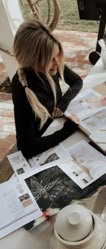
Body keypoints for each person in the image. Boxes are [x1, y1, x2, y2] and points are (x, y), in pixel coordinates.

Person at [12, 20, 83, 159]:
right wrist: (66, 131)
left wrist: (63, 103)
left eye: (57, 55)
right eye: (51, 59)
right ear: (33, 60)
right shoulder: (22, 88)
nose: (57, 62)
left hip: (53, 128)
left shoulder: (52, 66)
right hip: (41, 146)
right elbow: (27, 148)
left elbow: (77, 81)